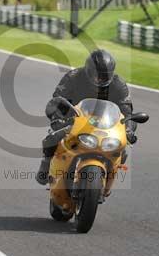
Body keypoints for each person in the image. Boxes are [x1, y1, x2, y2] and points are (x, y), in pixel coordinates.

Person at [36, 49, 138, 185]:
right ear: (88, 70)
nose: (101, 79)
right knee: (51, 139)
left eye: (105, 76)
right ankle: (45, 166)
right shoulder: (73, 77)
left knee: (122, 149)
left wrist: (129, 129)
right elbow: (57, 100)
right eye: (98, 75)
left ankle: (108, 179)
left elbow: (127, 112)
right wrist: (57, 118)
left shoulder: (118, 84)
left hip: (106, 123)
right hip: (74, 118)